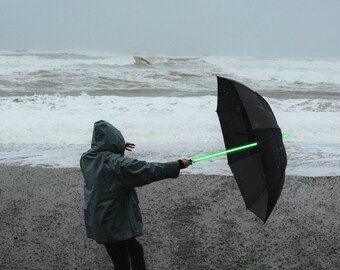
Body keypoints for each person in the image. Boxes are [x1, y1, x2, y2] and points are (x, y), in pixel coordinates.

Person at [80, 120, 191, 270]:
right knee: (122, 263)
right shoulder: (115, 163)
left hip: (101, 218)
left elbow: (100, 153)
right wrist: (178, 164)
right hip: (113, 221)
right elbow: (147, 170)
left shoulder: (87, 159)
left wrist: (118, 147)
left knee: (134, 251)